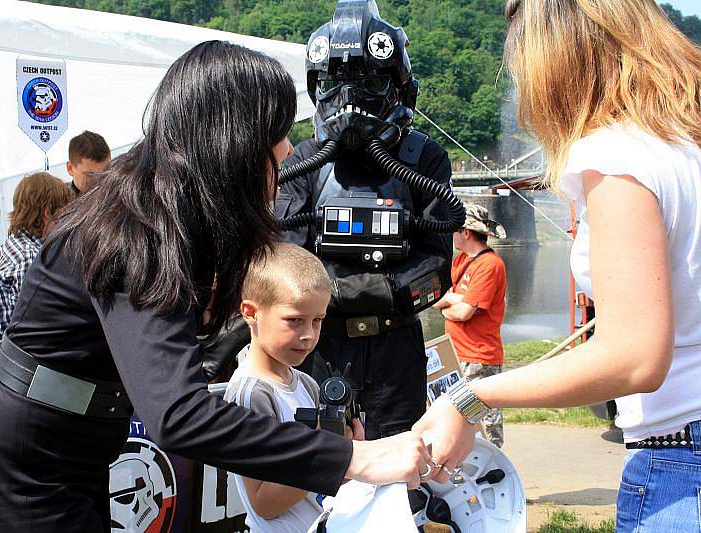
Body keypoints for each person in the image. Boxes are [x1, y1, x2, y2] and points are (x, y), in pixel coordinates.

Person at [0, 41, 431, 532]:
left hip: (61, 469)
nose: (286, 151)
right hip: (21, 486)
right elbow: (179, 415)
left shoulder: (153, 217)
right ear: (233, 140)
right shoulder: (136, 234)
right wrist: (353, 457)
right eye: (277, 134)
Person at [414, 2, 701, 531]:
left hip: (682, 454)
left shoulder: (619, 155)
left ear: (556, 58)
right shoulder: (684, 143)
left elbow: (635, 357)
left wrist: (470, 396)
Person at [278, 0, 457, 441]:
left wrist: (350, 291)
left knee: (400, 471)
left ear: (399, 88)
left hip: (393, 353)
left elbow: (436, 266)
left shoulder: (423, 159)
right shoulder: (305, 161)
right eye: (335, 85)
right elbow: (282, 262)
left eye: (371, 81)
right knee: (317, 470)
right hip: (318, 348)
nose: (350, 102)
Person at [225, 242, 364, 532]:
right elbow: (263, 504)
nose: (309, 336)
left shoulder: (307, 383)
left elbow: (328, 482)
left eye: (318, 321)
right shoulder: (250, 394)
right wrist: (333, 453)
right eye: (294, 321)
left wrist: (351, 450)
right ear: (251, 312)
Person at [434, 204, 507, 447]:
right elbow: (440, 300)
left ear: (466, 232)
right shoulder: (461, 261)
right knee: (458, 414)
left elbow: (464, 312)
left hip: (479, 355)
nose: (451, 234)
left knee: (484, 419)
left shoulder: (489, 265)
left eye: (455, 229)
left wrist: (452, 304)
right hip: (458, 352)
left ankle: (495, 469)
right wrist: (452, 302)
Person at [0, 172, 73, 345]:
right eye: (64, 214)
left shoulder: (12, 245)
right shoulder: (31, 257)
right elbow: (33, 328)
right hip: (18, 362)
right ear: (48, 212)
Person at [66, 130, 111, 196]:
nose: (98, 181)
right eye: (90, 175)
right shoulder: (60, 203)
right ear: (70, 169)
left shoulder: (121, 194)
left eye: (105, 173)